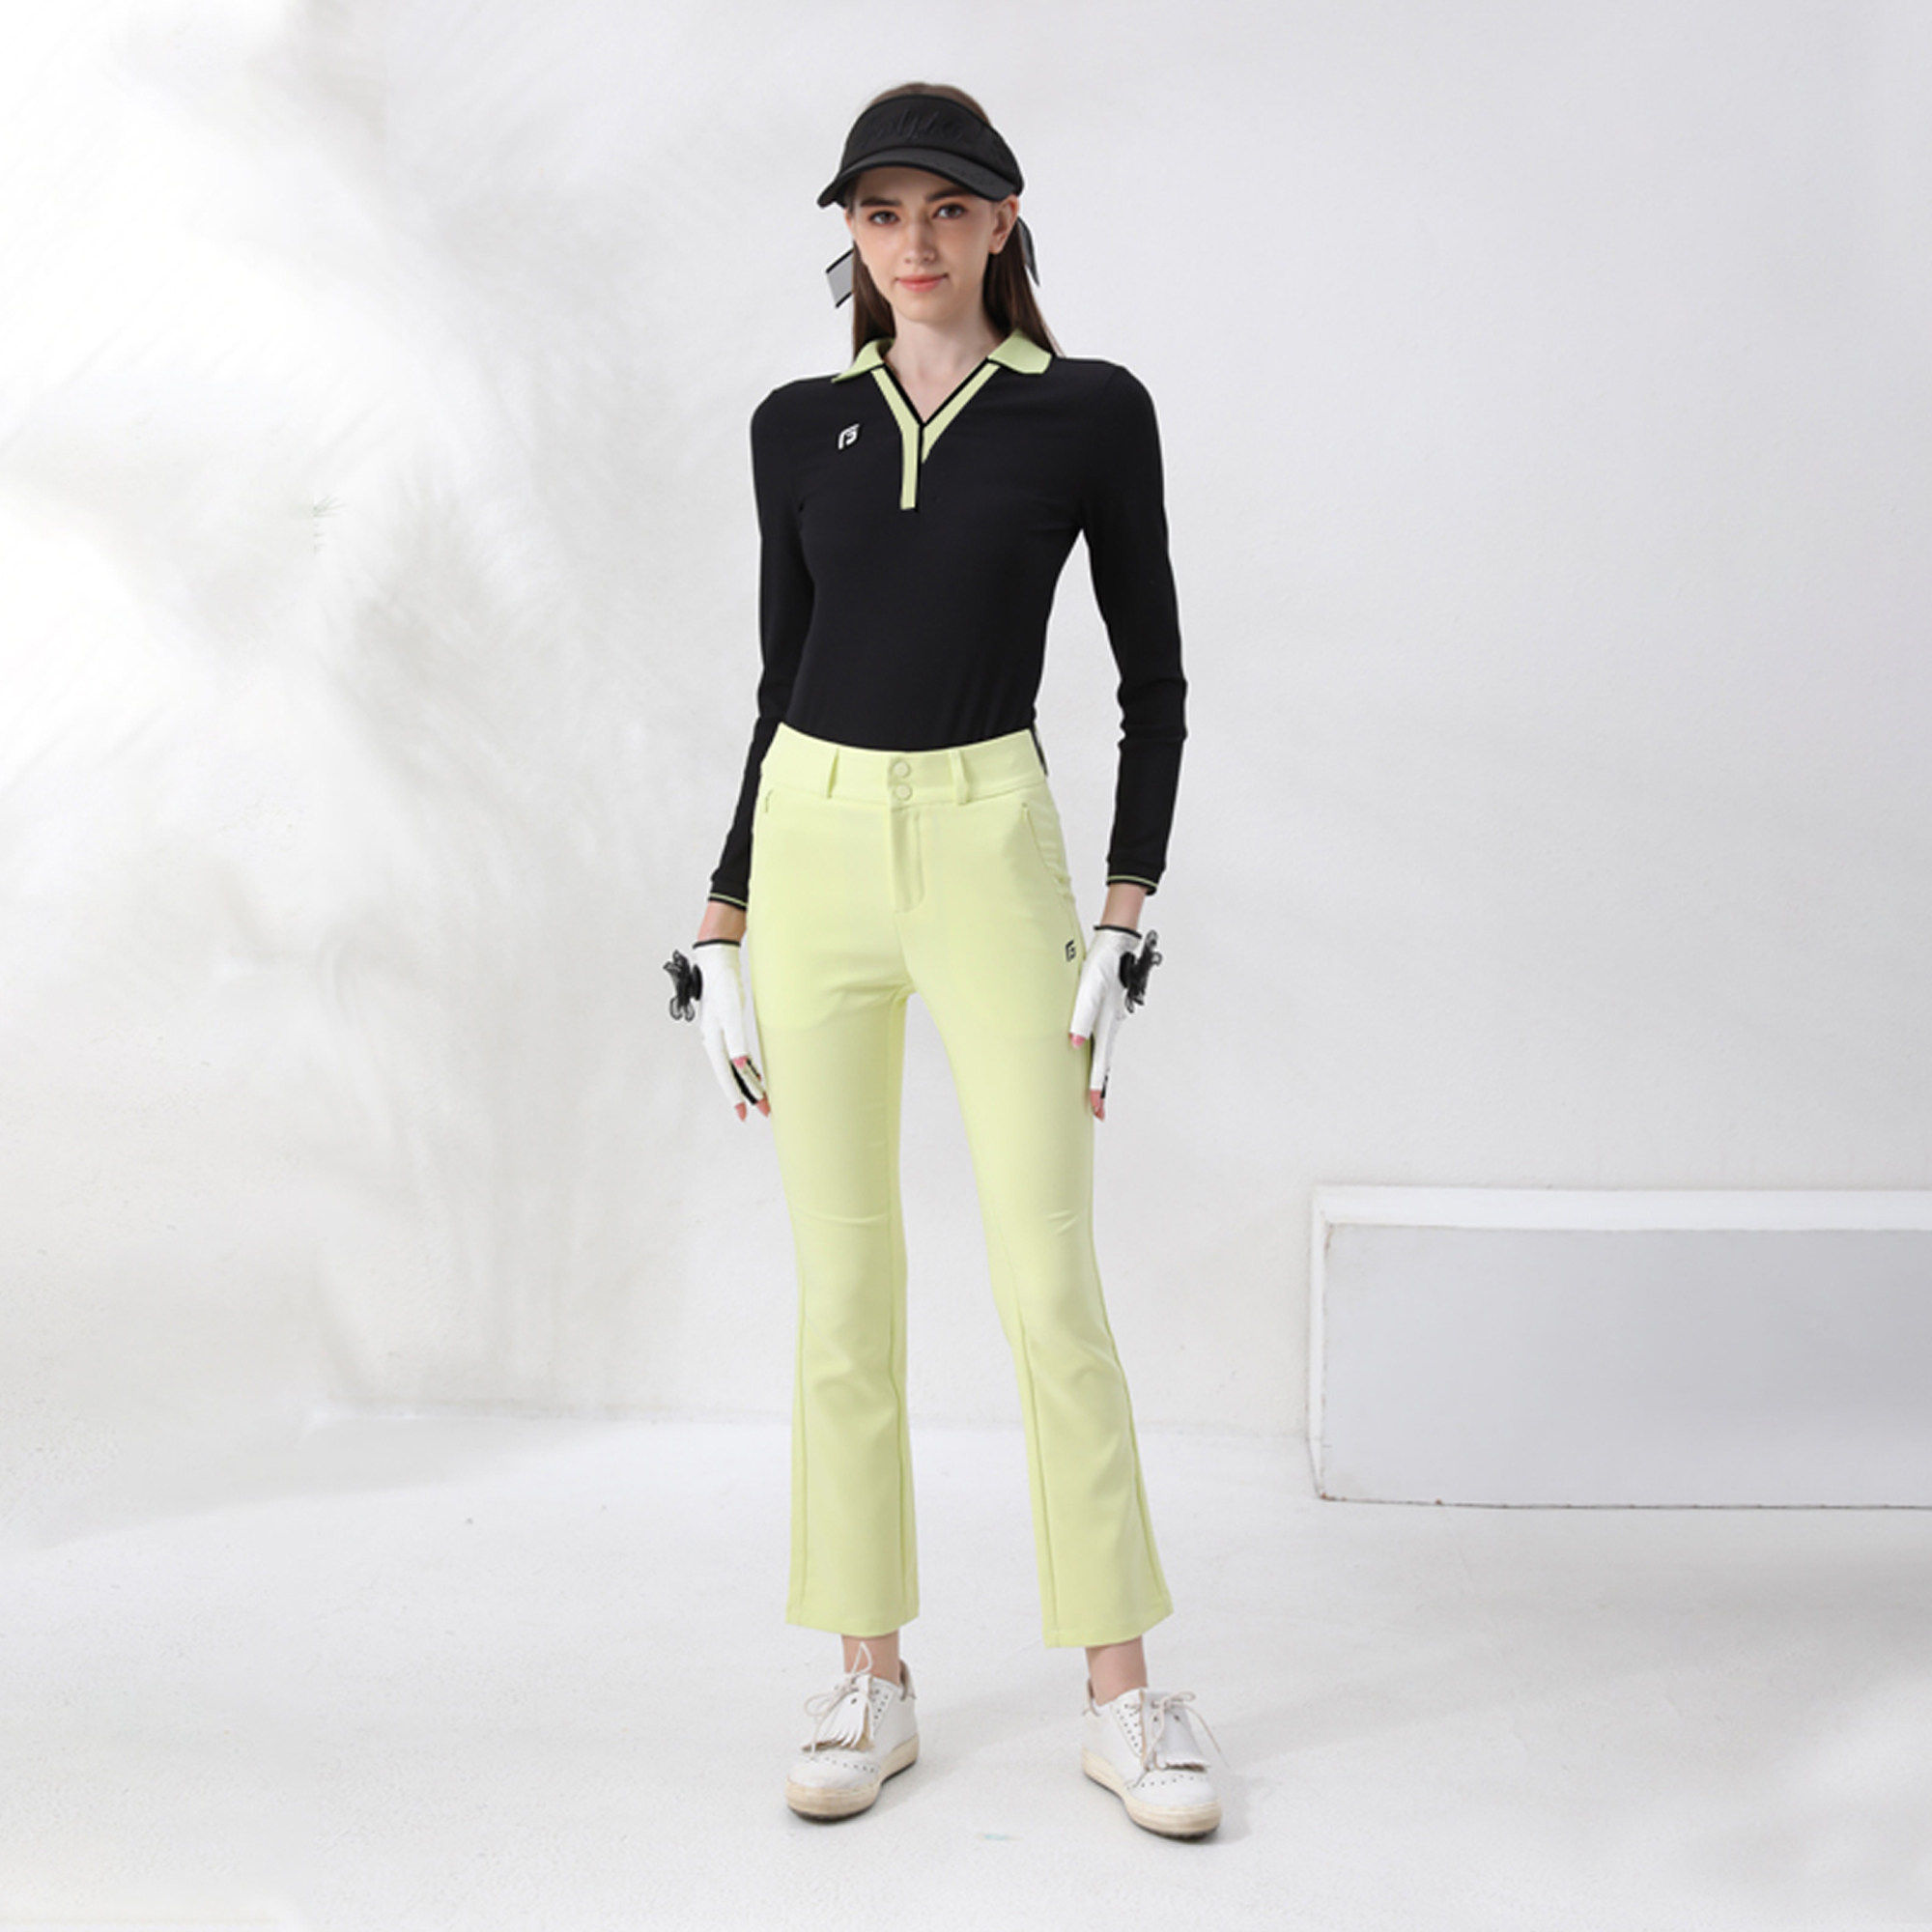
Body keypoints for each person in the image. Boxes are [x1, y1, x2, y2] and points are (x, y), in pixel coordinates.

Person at [665, 82, 1222, 1839]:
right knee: (843, 1291)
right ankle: (870, 1677)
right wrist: (723, 915)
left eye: (947, 210)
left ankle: (1124, 1697)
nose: (912, 242)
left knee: (1049, 1279)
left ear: (1002, 223)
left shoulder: (1088, 413)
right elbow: (783, 685)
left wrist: (1124, 911)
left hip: (990, 842)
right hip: (815, 845)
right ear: (850, 232)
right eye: (881, 212)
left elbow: (1154, 683)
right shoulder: (794, 427)